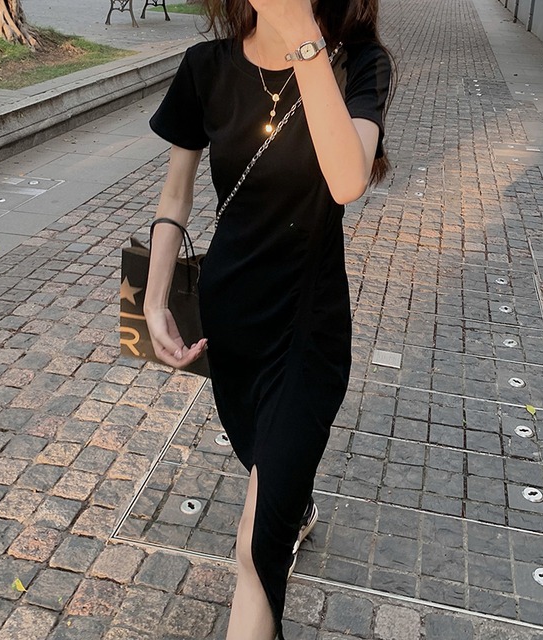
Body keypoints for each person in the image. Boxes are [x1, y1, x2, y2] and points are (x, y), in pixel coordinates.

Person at [143, 1, 392, 638]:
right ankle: (293, 501)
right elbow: (176, 193)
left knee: (254, 551)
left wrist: (303, 35)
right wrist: (152, 297)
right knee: (264, 461)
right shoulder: (206, 66)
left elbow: (347, 180)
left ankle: (282, 509)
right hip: (230, 326)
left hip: (307, 329)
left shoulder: (356, 63)